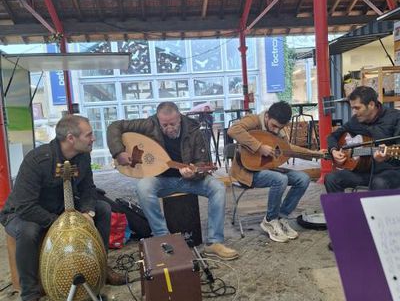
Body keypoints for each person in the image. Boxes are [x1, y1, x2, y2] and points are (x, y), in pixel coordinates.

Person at [0, 115, 125, 301]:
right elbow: (25, 206)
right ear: (70, 138)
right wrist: (62, 224)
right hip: (23, 213)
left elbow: (88, 189)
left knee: (104, 210)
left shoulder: (83, 157)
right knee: (29, 232)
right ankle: (31, 300)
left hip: (61, 208)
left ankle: (103, 268)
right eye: (89, 134)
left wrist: (87, 212)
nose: (93, 139)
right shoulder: (36, 160)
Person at [107, 101, 238, 261]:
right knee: (143, 187)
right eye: (165, 124)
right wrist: (118, 152)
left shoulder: (193, 130)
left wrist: (193, 173)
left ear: (180, 118)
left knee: (217, 187)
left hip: (188, 180)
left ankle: (214, 242)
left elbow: (202, 163)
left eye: (173, 124)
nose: (169, 128)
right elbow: (114, 126)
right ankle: (163, 239)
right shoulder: (149, 124)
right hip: (161, 180)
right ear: (158, 120)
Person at [227, 101, 310, 243]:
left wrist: (314, 153)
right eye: (274, 126)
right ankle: (269, 220)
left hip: (270, 169)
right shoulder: (254, 120)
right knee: (280, 179)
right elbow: (233, 130)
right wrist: (259, 147)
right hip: (247, 171)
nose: (277, 130)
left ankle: (280, 217)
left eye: (281, 127)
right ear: (267, 116)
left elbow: (289, 149)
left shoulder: (279, 132)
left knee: (303, 178)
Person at [325, 86, 400, 192]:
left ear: (371, 105)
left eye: (357, 108)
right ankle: (343, 209)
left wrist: (387, 157)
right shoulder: (355, 120)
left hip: (392, 171)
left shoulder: (395, 118)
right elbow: (333, 136)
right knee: (332, 179)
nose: (354, 112)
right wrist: (333, 150)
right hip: (364, 171)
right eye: (352, 108)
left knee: (379, 183)